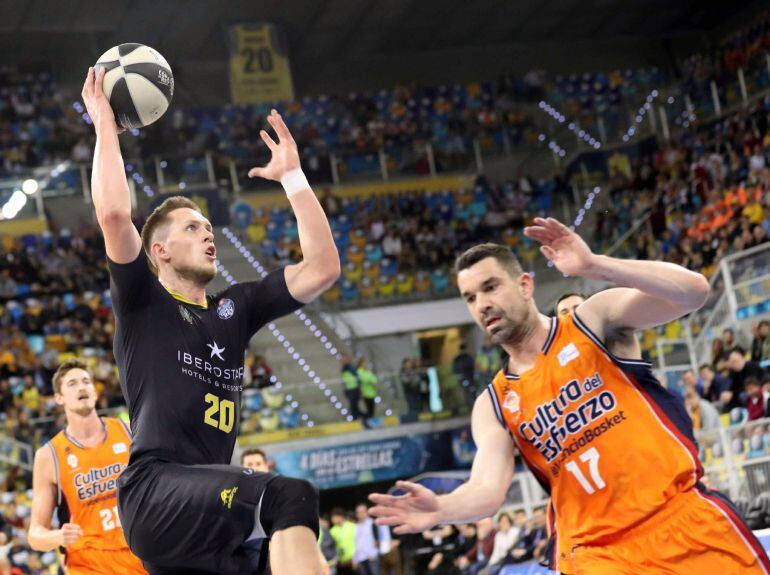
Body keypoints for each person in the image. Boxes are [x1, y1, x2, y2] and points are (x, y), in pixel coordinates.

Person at [369, 220, 770, 574]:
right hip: (596, 554)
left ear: (525, 284)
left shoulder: (592, 321)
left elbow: (692, 292)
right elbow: (487, 490)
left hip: (683, 518)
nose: (483, 304)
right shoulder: (492, 404)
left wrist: (596, 266)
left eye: (490, 287)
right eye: (471, 298)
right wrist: (442, 509)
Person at [82, 67, 339, 575]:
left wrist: (293, 177)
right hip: (155, 492)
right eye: (192, 227)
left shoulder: (234, 308)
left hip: (208, 509)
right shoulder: (143, 300)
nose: (208, 234)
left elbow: (323, 268)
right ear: (160, 250)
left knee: (274, 550)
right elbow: (113, 215)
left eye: (208, 225)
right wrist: (106, 128)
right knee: (291, 496)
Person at [27, 358, 146, 574]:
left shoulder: (129, 431)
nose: (82, 386)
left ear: (95, 391)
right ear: (58, 398)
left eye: (86, 381)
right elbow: (35, 534)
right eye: (72, 384)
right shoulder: (48, 456)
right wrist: (57, 536)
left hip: (140, 555)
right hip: (89, 564)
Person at [726, 347, 765, 411]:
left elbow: (753, 385)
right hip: (743, 393)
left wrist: (733, 395)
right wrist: (730, 395)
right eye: (732, 363)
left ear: (741, 358)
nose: (735, 364)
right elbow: (733, 389)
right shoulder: (735, 373)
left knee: (743, 396)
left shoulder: (751, 366)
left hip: (757, 389)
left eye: (736, 361)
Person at [353, 503, 388, 575]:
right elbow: (356, 543)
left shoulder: (372, 523)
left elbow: (379, 539)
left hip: (372, 556)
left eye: (362, 512)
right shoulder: (356, 526)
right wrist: (355, 559)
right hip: (361, 557)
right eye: (358, 512)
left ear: (366, 512)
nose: (360, 514)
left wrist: (374, 553)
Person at [330, 508, 357, 575]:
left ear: (340, 516)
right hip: (341, 563)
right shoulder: (332, 531)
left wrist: (355, 558)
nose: (332, 519)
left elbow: (359, 542)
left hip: (354, 561)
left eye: (333, 517)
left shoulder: (353, 526)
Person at [342, 356, 362, 420]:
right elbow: (345, 381)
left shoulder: (350, 368)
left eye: (344, 359)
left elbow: (357, 377)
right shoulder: (344, 368)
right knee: (353, 406)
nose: (343, 361)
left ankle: (360, 417)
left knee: (354, 406)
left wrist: (359, 388)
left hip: (354, 389)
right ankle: (359, 417)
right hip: (349, 390)